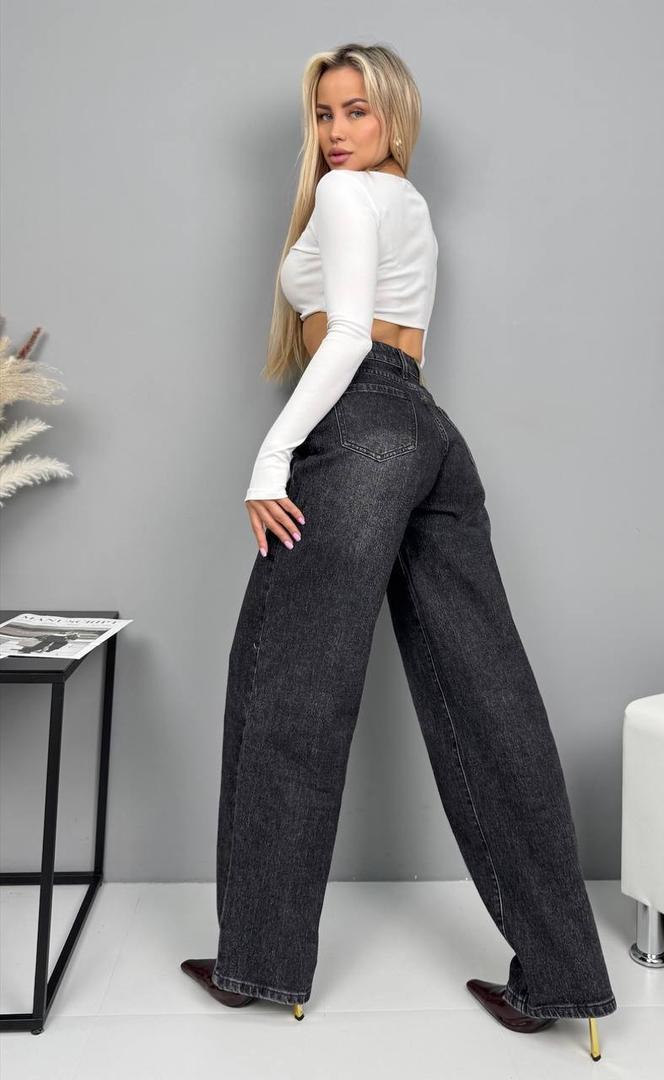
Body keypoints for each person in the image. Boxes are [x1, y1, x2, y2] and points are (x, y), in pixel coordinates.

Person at [181, 42, 615, 1062]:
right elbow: (393, 339)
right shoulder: (408, 205)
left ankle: (259, 965)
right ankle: (564, 980)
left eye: (357, 112)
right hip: (428, 431)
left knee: (288, 689)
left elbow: (343, 340)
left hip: (360, 429)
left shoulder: (345, 199)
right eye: (324, 113)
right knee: (488, 697)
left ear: (393, 117)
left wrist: (272, 456)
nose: (336, 132)